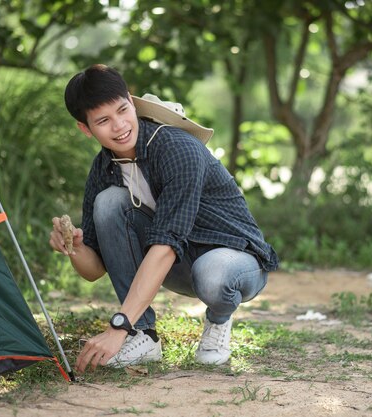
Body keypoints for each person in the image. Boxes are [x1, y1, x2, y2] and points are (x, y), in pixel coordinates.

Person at [49, 64, 278, 373]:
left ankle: (218, 320)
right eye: (103, 121)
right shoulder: (103, 169)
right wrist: (75, 248)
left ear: (131, 100)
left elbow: (166, 245)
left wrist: (117, 325)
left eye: (122, 110)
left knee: (213, 274)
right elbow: (94, 271)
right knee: (108, 202)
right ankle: (142, 334)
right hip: (179, 266)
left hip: (235, 261)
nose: (119, 126)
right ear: (85, 128)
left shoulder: (177, 147)